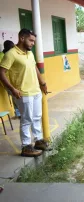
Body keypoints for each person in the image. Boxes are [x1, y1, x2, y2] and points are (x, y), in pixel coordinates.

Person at [0, 29, 50, 157]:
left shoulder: (30, 53)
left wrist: (42, 83)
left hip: (35, 91)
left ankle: (38, 141)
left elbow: (35, 68)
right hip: (23, 93)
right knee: (26, 119)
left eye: (34, 41)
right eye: (31, 40)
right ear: (22, 38)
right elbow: (1, 73)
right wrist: (12, 89)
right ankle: (26, 147)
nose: (33, 43)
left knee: (37, 117)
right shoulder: (11, 54)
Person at [0, 40, 21, 118]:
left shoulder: (10, 54)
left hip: (14, 79)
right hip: (7, 81)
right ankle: (18, 112)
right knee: (15, 96)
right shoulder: (2, 56)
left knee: (16, 96)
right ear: (7, 48)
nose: (13, 49)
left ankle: (19, 112)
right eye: (11, 47)